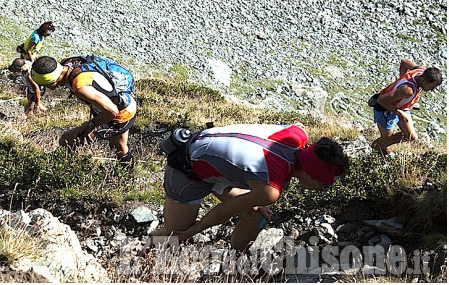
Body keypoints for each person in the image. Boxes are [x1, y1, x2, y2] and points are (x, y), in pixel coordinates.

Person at [151, 124, 349, 251]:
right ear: (309, 173)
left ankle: (236, 260)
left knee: (257, 214)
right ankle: (138, 253)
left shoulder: (297, 134)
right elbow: (222, 213)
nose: (322, 190)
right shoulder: (270, 189)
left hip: (207, 154)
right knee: (175, 232)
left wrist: (255, 198)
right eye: (323, 186)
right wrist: (191, 232)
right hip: (187, 171)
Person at [30, 55, 137, 168]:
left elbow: (112, 112)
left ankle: (65, 172)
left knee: (66, 141)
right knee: (119, 147)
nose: (45, 88)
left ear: (53, 81)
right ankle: (128, 174)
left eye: (44, 85)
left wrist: (90, 125)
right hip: (126, 102)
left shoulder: (80, 88)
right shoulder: (69, 62)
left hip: (119, 114)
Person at [370, 59, 442, 154]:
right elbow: (381, 100)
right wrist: (399, 112)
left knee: (411, 137)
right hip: (384, 109)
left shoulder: (420, 71)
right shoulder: (408, 90)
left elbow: (404, 62)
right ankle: (375, 149)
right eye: (431, 87)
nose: (432, 90)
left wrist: (401, 79)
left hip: (401, 107)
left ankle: (382, 147)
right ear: (423, 80)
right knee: (387, 138)